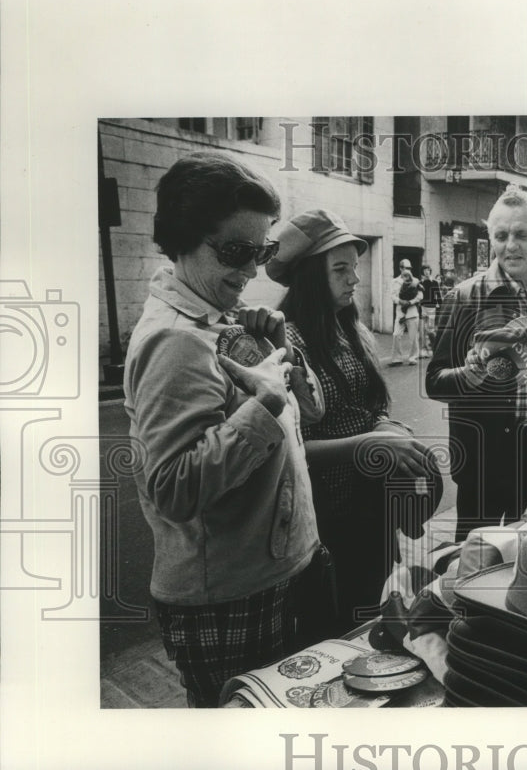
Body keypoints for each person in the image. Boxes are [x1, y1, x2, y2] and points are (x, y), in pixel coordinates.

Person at [123, 151, 325, 707]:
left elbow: (312, 414)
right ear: (185, 240)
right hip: (229, 595)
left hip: (271, 570)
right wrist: (262, 404)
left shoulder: (217, 318)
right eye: (236, 252)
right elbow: (174, 490)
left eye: (260, 252)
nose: (252, 271)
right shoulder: (176, 340)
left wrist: (284, 355)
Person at [266, 209, 437, 632]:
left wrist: (385, 428)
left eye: (354, 267)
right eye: (340, 269)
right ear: (309, 275)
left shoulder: (349, 327)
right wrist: (369, 444)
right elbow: (290, 451)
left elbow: (371, 405)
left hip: (370, 512)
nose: (354, 279)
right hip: (325, 525)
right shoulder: (285, 342)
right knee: (333, 629)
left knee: (373, 621)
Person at [426, 185, 527, 541]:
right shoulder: (466, 297)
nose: (510, 246)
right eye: (501, 236)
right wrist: (468, 375)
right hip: (484, 455)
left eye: (522, 234)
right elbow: (434, 380)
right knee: (473, 553)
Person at [390, 259, 423, 365]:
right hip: (400, 313)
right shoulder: (395, 281)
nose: (407, 270)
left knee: (413, 337)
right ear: (400, 268)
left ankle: (413, 358)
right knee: (396, 335)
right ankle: (397, 359)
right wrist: (400, 301)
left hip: (412, 312)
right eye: (405, 268)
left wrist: (411, 302)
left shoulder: (416, 281)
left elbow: (420, 296)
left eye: (409, 268)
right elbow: (392, 296)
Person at [419, 264, 442, 358]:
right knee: (422, 331)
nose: (426, 272)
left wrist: (440, 307)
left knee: (430, 330)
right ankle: (423, 350)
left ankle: (433, 348)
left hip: (432, 308)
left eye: (428, 270)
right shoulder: (420, 283)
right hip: (423, 307)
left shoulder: (435, 282)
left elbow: (438, 296)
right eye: (424, 270)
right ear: (423, 272)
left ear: (430, 271)